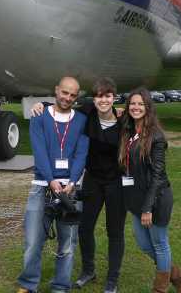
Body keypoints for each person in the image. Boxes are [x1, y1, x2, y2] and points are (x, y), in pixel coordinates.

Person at [31, 77, 125, 293]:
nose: (103, 100)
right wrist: (41, 104)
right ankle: (88, 270)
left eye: (108, 96)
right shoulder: (88, 113)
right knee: (84, 228)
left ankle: (112, 279)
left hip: (115, 182)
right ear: (94, 99)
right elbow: (63, 104)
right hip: (93, 180)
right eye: (99, 96)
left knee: (115, 231)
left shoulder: (124, 121)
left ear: (114, 98)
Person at [16, 76, 90, 293]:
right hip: (42, 186)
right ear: (57, 90)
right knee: (33, 240)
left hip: (70, 190)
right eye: (64, 92)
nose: (67, 98)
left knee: (67, 244)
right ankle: (28, 283)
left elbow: (81, 154)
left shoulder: (82, 121)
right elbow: (39, 151)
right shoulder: (39, 116)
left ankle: (60, 286)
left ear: (76, 97)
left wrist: (73, 181)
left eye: (72, 95)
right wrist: (50, 180)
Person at [118, 88, 181, 293]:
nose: (136, 107)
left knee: (159, 244)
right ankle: (179, 277)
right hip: (136, 197)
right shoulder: (129, 130)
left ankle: (160, 289)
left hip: (156, 199)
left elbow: (158, 175)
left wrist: (148, 208)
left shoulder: (156, 136)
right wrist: (43, 106)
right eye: (132, 103)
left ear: (148, 108)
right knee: (144, 244)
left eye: (140, 104)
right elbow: (97, 109)